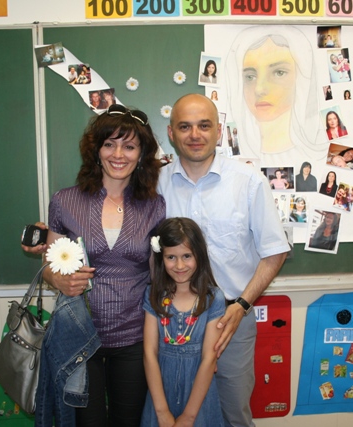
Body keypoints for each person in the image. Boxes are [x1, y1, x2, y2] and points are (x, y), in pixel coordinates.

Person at [24, 104, 165, 427]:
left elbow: (159, 273)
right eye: (109, 144)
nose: (118, 154)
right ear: (96, 150)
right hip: (79, 335)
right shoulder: (65, 201)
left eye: (129, 146)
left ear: (141, 154)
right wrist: (57, 279)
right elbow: (51, 264)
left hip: (133, 337)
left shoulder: (154, 205)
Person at [159, 94, 289, 427]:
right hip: (171, 321)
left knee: (234, 415)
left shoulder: (249, 182)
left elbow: (275, 251)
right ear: (171, 133)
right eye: (184, 127)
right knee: (177, 413)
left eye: (204, 126)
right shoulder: (154, 185)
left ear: (219, 131)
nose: (195, 135)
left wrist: (242, 305)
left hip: (231, 320)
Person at [141, 217, 225, 426]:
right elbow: (149, 353)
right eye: (171, 257)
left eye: (187, 256)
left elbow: (209, 359)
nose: (179, 265)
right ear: (161, 258)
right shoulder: (153, 295)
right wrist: (162, 412)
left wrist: (188, 417)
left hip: (198, 400)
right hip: (160, 394)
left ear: (199, 255)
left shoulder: (213, 299)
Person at [226, 26, 324, 164]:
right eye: (250, 77)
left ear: (301, 77)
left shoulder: (322, 154)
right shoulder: (228, 155)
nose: (259, 89)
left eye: (279, 73)